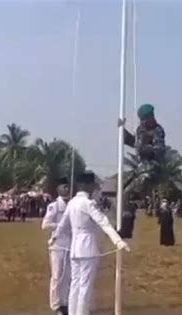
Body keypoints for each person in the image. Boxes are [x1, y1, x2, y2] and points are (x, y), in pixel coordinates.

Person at [50, 171, 130, 315]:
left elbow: (62, 225)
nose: (94, 187)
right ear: (87, 185)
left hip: (74, 249)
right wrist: (118, 241)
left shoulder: (72, 202)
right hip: (87, 248)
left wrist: (54, 238)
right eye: (92, 184)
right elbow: (103, 222)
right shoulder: (88, 203)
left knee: (75, 285)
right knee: (84, 286)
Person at [42, 181, 71, 315]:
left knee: (68, 276)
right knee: (57, 276)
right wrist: (59, 225)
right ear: (58, 189)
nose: (67, 189)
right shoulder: (53, 206)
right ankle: (56, 305)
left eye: (68, 186)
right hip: (57, 245)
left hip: (70, 245)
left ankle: (65, 303)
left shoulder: (72, 204)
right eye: (64, 186)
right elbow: (45, 225)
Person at [123, 104, 166, 189]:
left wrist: (148, 150)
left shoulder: (158, 130)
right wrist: (123, 131)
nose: (144, 122)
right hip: (141, 165)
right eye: (143, 119)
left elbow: (160, 149)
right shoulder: (140, 129)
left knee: (144, 179)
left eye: (150, 117)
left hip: (153, 164)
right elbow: (135, 143)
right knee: (125, 186)